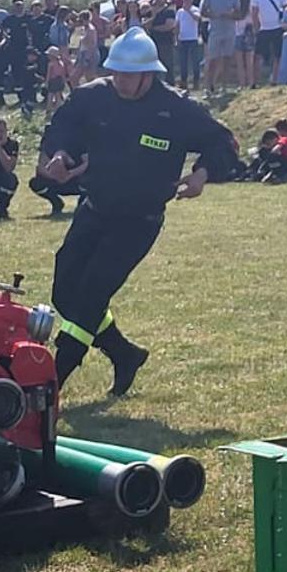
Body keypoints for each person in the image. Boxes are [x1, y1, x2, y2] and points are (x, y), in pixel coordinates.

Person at [39, 28, 239, 396]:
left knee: (90, 295)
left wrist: (202, 174)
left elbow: (223, 142)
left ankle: (52, 385)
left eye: (129, 75)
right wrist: (59, 153)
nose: (120, 81)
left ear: (150, 73)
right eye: (115, 72)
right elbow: (63, 126)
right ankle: (124, 353)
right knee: (65, 293)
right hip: (93, 209)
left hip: (138, 222)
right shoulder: (93, 97)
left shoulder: (177, 109)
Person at [200, 0, 244, 94]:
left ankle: (224, 87)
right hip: (215, 30)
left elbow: (239, 14)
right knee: (212, 60)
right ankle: (208, 87)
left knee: (227, 59)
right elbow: (202, 10)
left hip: (229, 31)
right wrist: (211, 14)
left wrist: (230, 15)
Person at [248, 0, 287, 88]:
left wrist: (285, 25)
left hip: (278, 28)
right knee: (258, 56)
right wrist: (256, 28)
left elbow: (286, 9)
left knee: (278, 55)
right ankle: (254, 82)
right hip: (263, 29)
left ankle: (274, 81)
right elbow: (254, 13)